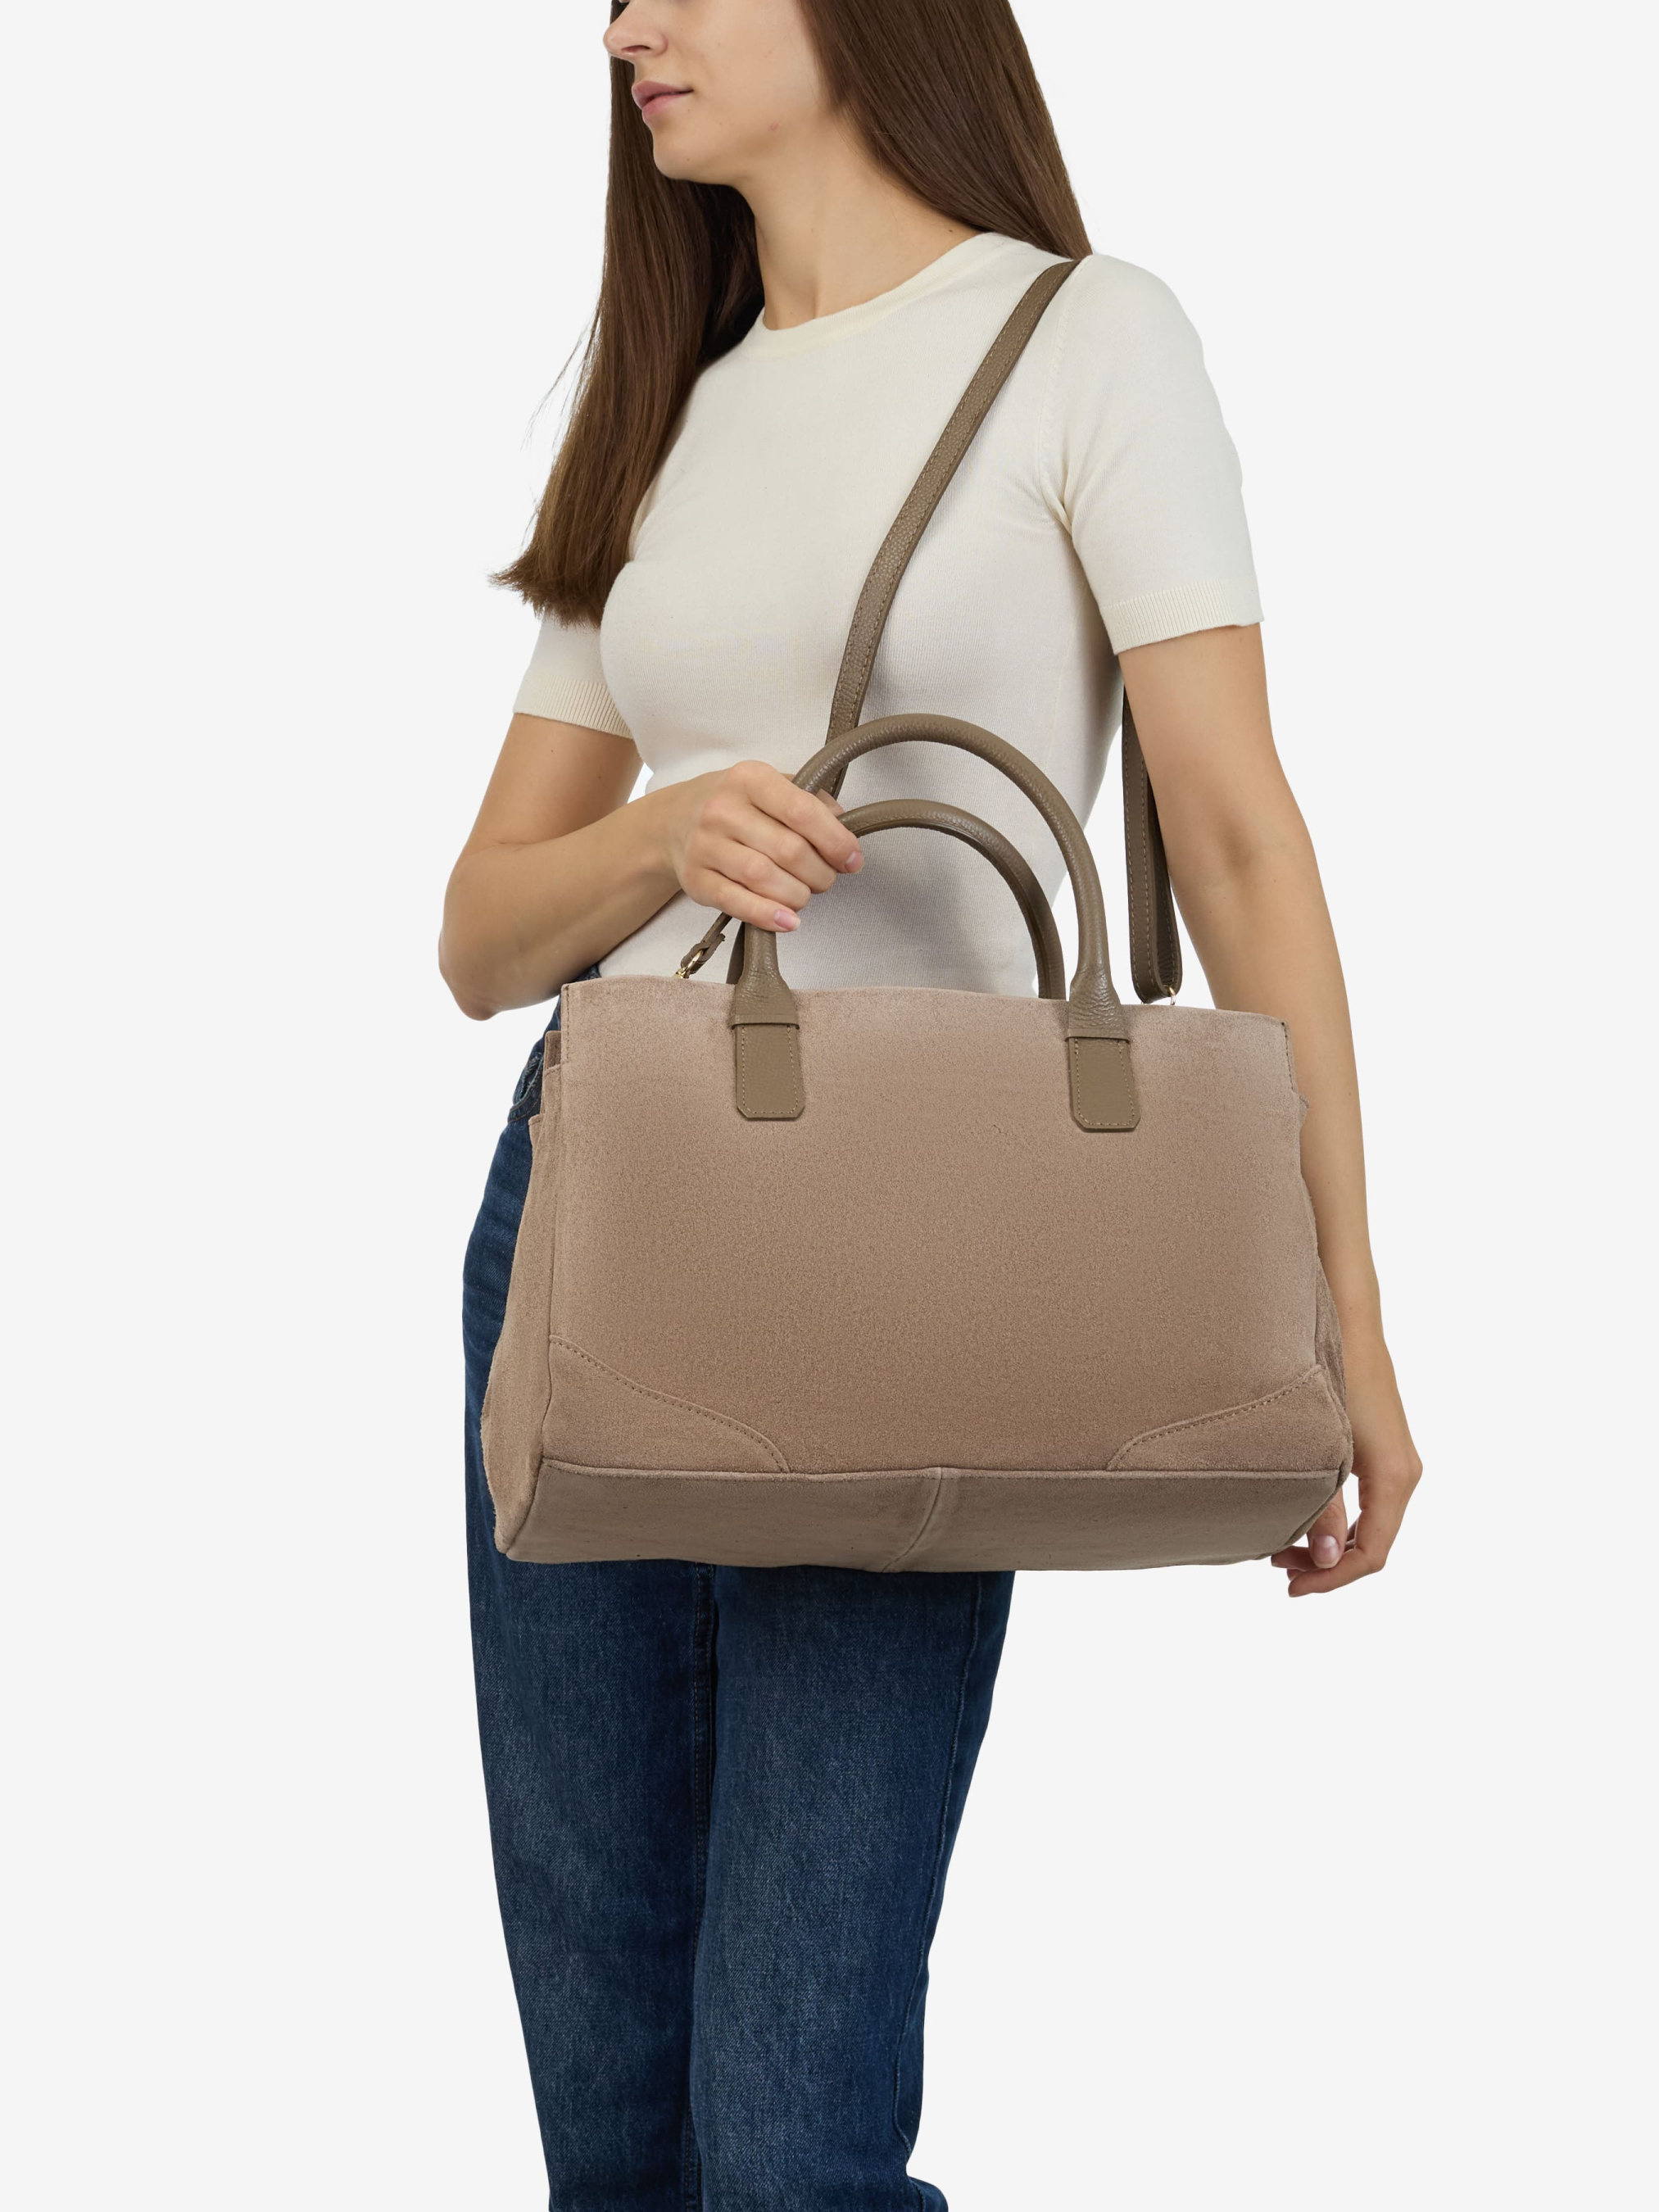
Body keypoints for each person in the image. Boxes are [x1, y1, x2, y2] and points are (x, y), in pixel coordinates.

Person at [438, 2, 1423, 2202]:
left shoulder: (1084, 339)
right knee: (608, 2114)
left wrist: (1344, 1311)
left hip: (916, 1253)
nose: (623, 26)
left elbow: (1236, 841)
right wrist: (663, 828)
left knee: (788, 2137)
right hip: (596, 1221)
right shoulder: (666, 409)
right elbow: (481, 934)